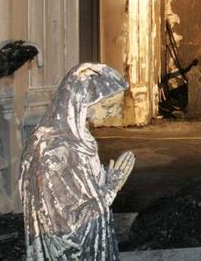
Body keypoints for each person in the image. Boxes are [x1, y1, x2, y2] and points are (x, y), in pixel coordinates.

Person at [20, 63, 135, 261]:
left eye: (116, 106)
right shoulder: (53, 149)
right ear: (80, 102)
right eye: (107, 106)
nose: (113, 113)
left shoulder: (79, 137)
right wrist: (111, 187)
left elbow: (80, 186)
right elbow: (68, 223)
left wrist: (103, 176)